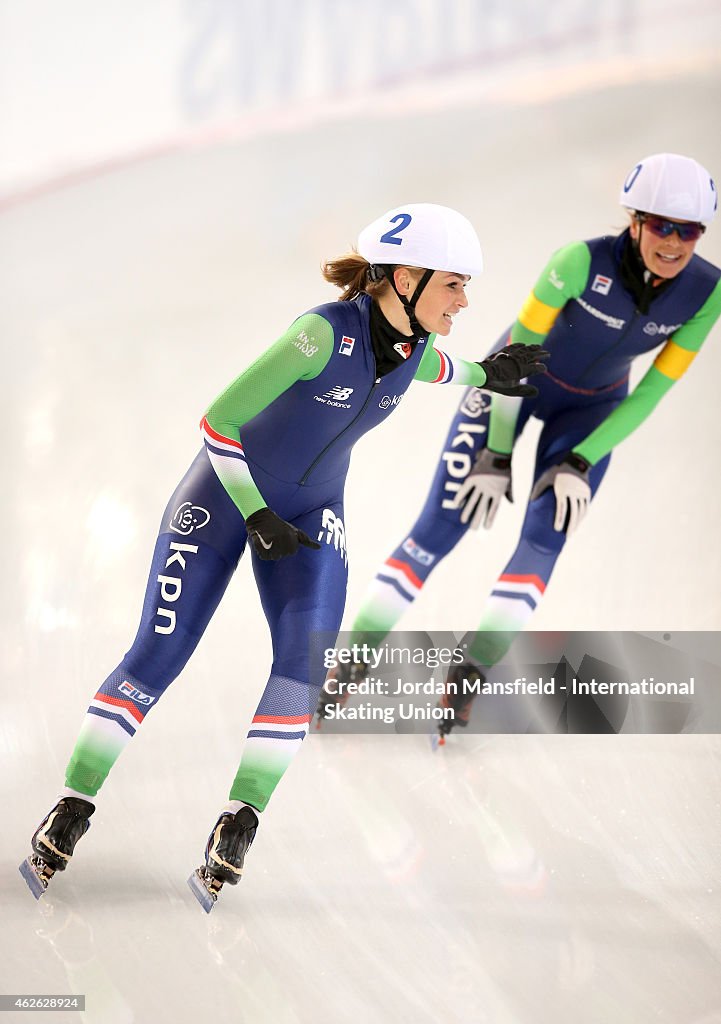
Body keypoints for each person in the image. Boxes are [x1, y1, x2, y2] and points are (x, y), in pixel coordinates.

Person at [20, 203, 548, 909]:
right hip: (221, 497)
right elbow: (220, 420)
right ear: (404, 277)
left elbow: (438, 368)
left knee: (304, 664)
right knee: (159, 654)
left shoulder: (413, 346)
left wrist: (489, 373)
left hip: (310, 513)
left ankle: (239, 819)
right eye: (453, 284)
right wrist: (255, 511)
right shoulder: (317, 336)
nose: (464, 300)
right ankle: (72, 805)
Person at [321, 154, 720, 740]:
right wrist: (498, 454)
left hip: (591, 413)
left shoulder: (706, 291)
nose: (675, 243)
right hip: (512, 385)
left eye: (689, 231)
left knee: (543, 541)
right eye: (662, 225)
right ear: (634, 221)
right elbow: (513, 362)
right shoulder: (577, 263)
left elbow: (653, 392)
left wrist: (580, 461)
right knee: (438, 528)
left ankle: (470, 671)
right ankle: (351, 661)